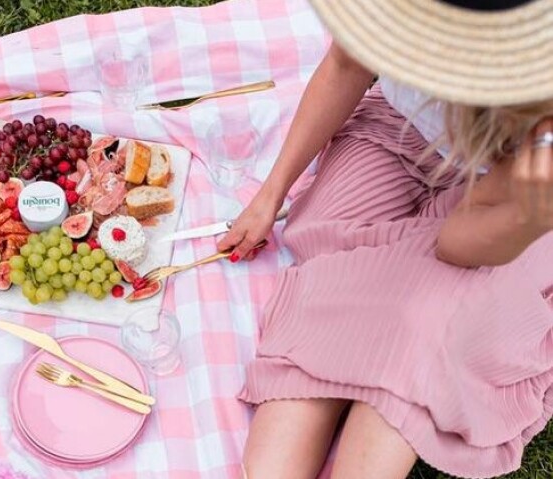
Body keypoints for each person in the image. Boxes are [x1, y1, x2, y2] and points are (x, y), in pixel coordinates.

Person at [217, 0, 553, 478]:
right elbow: (345, 64)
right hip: (394, 132)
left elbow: (456, 245)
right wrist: (270, 195)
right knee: (337, 264)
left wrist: (528, 216)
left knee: (431, 320)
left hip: (507, 197)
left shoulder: (540, 88)